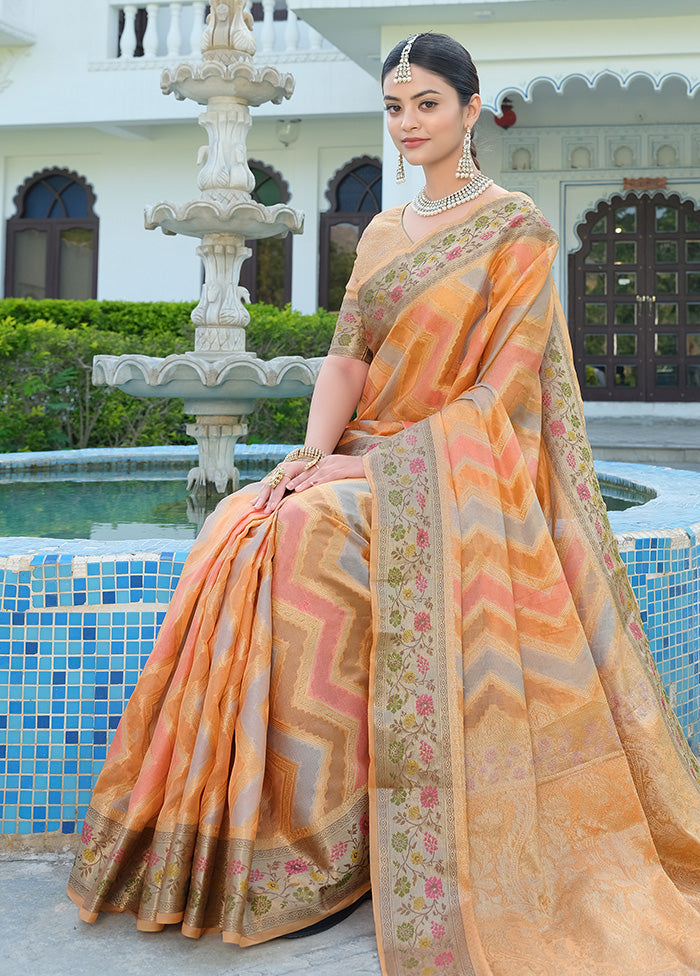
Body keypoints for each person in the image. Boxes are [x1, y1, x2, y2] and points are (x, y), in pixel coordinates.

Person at [68, 32, 700, 976]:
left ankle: (335, 844)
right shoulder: (379, 234)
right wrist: (310, 455)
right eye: (397, 107)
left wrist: (365, 475)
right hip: (370, 455)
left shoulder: (517, 226)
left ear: (470, 110)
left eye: (428, 105)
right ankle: (266, 838)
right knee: (243, 522)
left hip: (466, 472)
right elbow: (349, 358)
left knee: (312, 537)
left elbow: (504, 396)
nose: (410, 125)